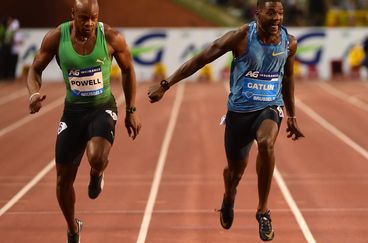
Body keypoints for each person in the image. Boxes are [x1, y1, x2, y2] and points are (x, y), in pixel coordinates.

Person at [148, 0, 304, 241]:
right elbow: (202, 58)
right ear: (257, 13)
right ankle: (229, 195)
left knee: (266, 143)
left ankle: (263, 211)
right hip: (239, 114)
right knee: (235, 172)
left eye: (280, 13)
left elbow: (288, 78)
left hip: (269, 108)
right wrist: (166, 84)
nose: (276, 18)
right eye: (271, 13)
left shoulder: (289, 43)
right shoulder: (240, 37)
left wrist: (291, 114)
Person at [26, 0, 141, 242]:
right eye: (83, 18)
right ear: (73, 15)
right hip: (73, 113)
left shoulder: (111, 37)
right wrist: (34, 93)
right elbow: (35, 69)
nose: (89, 23)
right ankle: (73, 227)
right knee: (62, 182)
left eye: (94, 18)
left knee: (97, 157)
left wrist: (131, 109)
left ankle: (96, 173)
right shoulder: (57, 38)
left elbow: (129, 69)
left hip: (102, 108)